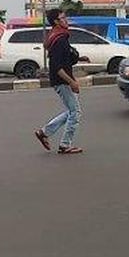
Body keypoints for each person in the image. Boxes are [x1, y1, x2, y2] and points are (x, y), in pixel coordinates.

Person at [34, 9, 83, 155]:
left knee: (72, 111)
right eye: (63, 18)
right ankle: (64, 145)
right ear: (56, 22)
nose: (66, 20)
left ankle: (44, 132)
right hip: (62, 81)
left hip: (61, 80)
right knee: (75, 112)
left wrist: (79, 58)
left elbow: (63, 60)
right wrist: (72, 82)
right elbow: (57, 67)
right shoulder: (60, 39)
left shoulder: (59, 37)